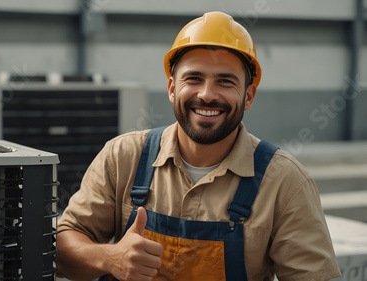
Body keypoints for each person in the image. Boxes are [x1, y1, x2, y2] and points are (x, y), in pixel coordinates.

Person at [55, 11, 341, 281]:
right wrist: (109, 257)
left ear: (249, 96)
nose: (207, 95)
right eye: (193, 78)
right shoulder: (123, 157)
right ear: (171, 88)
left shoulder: (285, 182)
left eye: (225, 82)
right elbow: (61, 250)